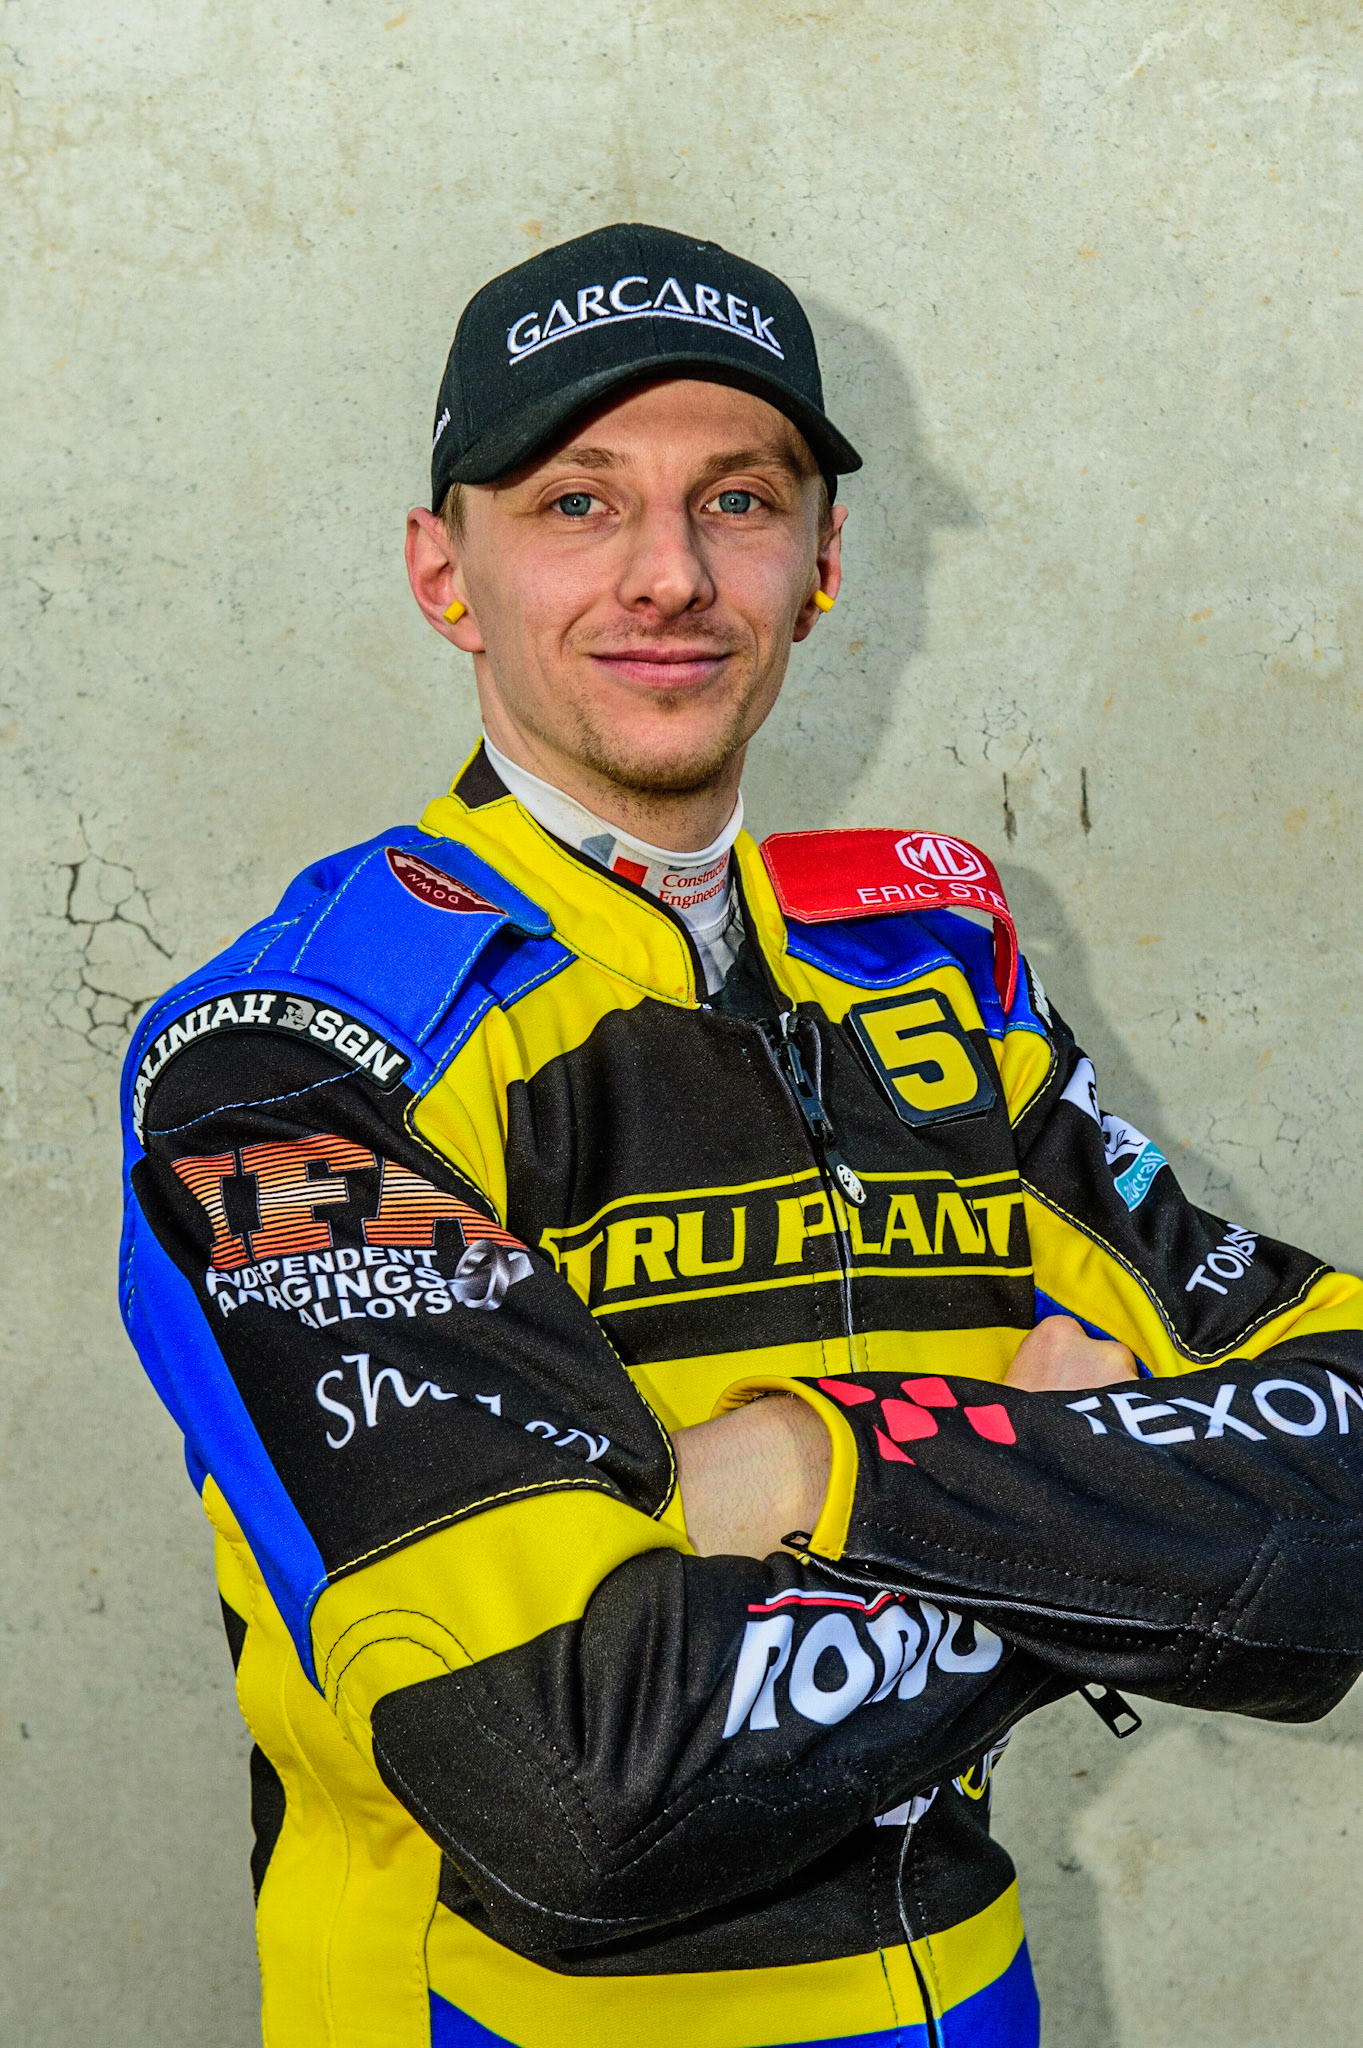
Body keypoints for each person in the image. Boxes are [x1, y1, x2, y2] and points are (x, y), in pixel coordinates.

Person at [119, 223, 1363, 2048]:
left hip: (973, 2005)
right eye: (573, 503)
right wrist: (1092, 1502)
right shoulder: (287, 1063)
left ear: (824, 563)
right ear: (440, 570)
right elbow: (575, 1781)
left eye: (740, 499)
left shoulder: (936, 982)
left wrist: (806, 1475)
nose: (668, 575)